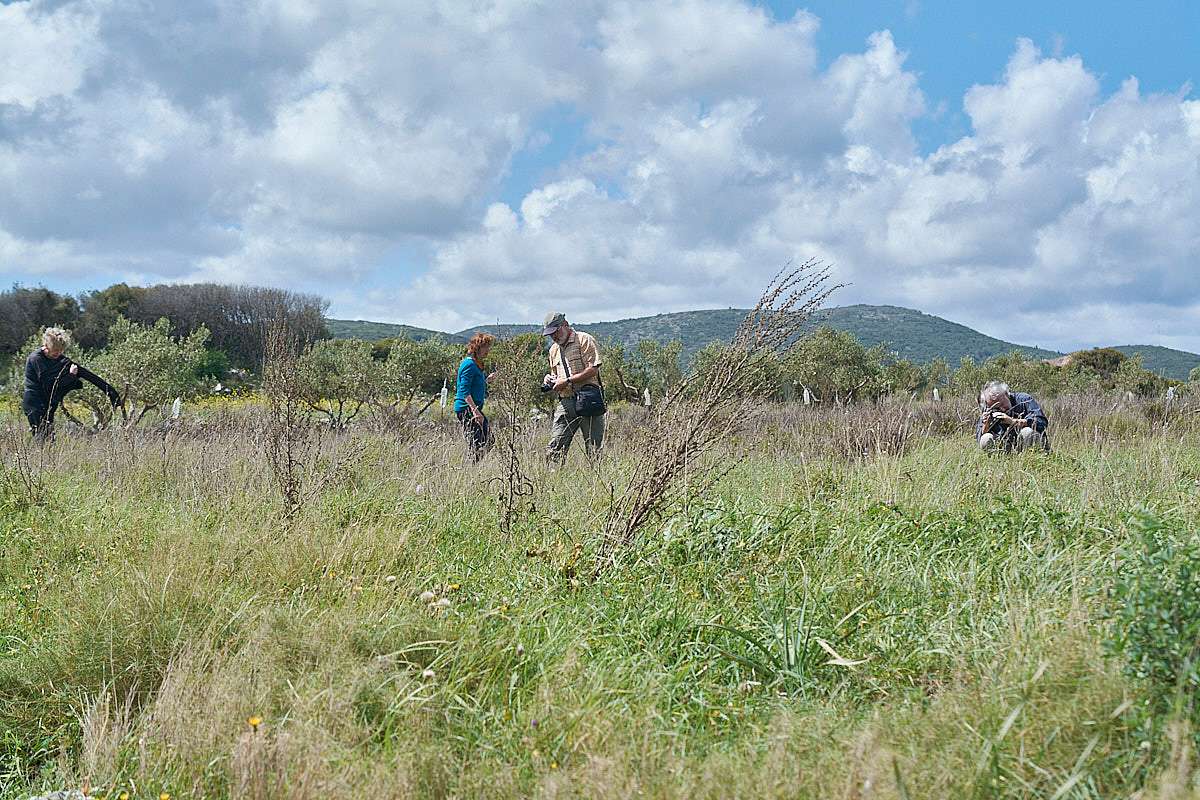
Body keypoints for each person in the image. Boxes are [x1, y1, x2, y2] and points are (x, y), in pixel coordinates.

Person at [22, 327, 121, 440]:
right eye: (55, 350)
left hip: (49, 403)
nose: (57, 353)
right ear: (46, 345)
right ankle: (36, 457)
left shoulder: (59, 358)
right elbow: (49, 383)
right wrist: (71, 376)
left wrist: (111, 393)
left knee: (49, 439)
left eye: (60, 350)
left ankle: (45, 457)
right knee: (42, 437)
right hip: (34, 401)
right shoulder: (35, 358)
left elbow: (87, 375)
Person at [541, 312, 605, 460]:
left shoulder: (584, 340)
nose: (554, 337)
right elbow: (556, 375)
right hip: (566, 401)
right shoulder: (553, 350)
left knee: (594, 448)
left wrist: (568, 380)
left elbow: (593, 369)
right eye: (550, 334)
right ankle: (553, 478)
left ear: (565, 325)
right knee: (555, 447)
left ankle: (596, 480)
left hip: (588, 399)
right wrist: (549, 379)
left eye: (556, 332)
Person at [454, 333, 494, 461]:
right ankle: (471, 467)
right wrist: (475, 411)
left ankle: (473, 466)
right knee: (478, 442)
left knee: (486, 441)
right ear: (477, 348)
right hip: (467, 409)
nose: (488, 350)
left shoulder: (476, 365)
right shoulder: (469, 365)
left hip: (472, 409)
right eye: (485, 347)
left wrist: (487, 381)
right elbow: (464, 390)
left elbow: (475, 386)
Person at [976, 380, 1049, 451]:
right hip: (1006, 449)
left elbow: (1041, 422)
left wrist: (1013, 421)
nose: (1002, 409)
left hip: (1031, 445)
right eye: (996, 407)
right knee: (986, 438)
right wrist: (986, 426)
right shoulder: (988, 411)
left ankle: (1032, 461)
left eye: (1002, 404)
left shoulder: (1024, 399)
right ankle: (998, 462)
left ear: (1006, 394)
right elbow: (979, 441)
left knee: (1027, 432)